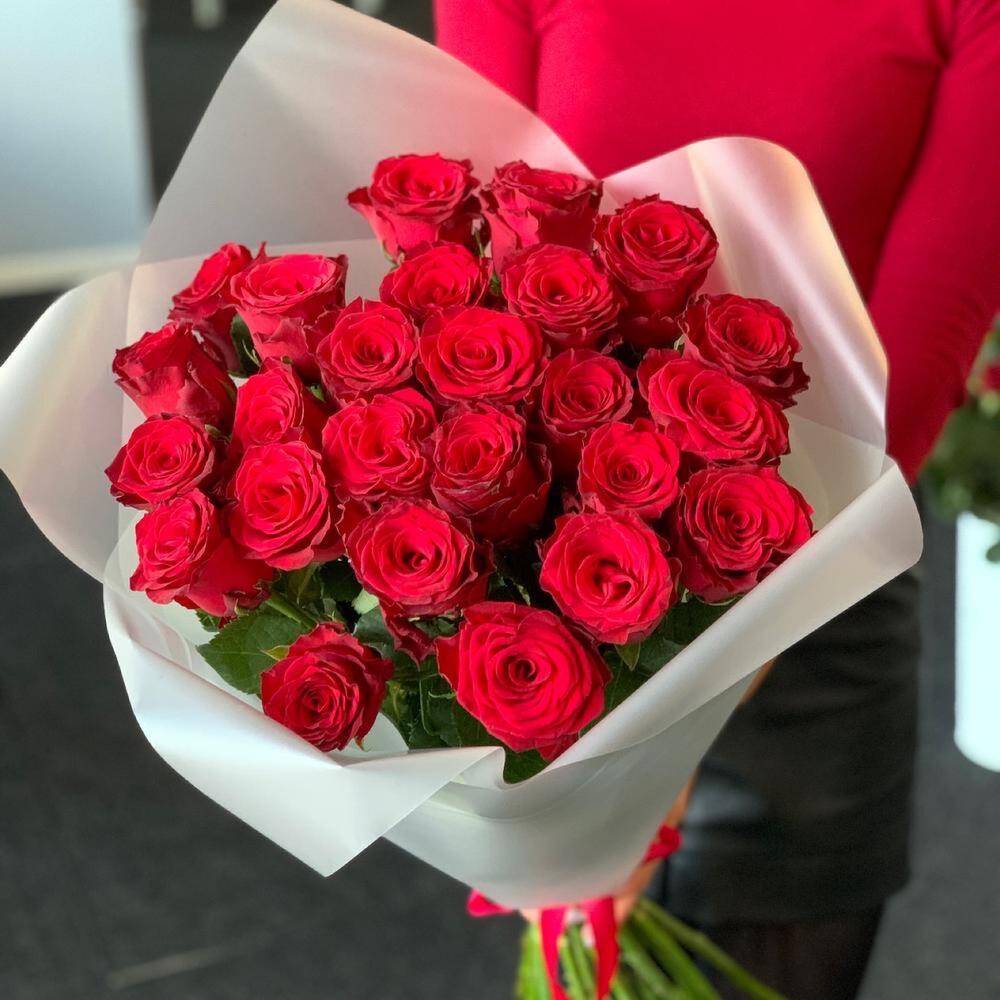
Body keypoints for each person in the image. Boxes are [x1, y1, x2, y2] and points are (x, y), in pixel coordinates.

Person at [433, 2, 1000, 997]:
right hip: (555, 593)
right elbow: (472, 265)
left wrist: (670, 725)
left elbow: (914, 362)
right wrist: (604, 737)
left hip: (820, 594)